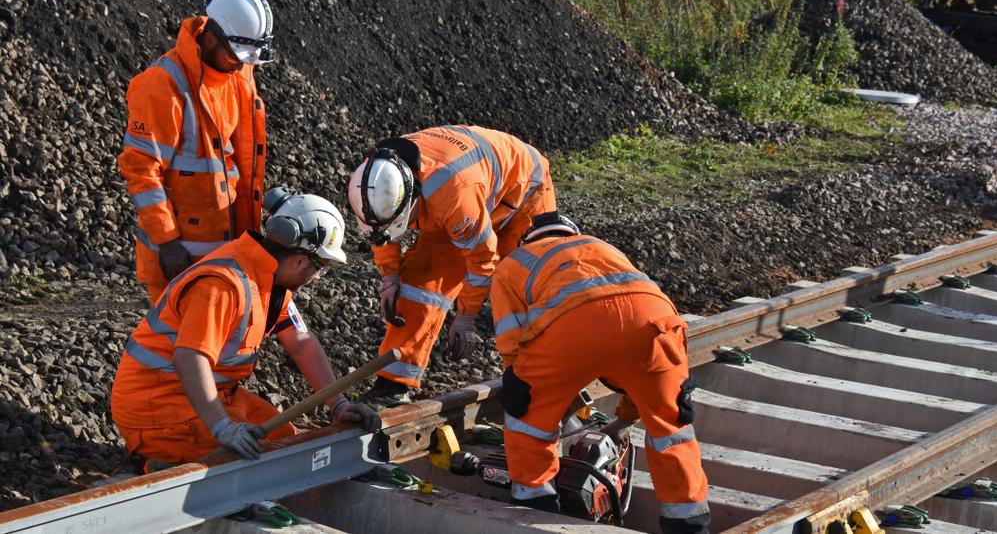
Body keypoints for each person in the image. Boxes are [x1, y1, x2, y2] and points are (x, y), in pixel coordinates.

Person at [111, 188, 378, 471]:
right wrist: (222, 427)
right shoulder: (223, 285)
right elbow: (190, 358)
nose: (316, 278)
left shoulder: (268, 280)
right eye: (321, 269)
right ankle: (151, 460)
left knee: (283, 438)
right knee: (258, 460)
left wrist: (337, 405)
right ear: (301, 260)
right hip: (158, 407)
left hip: (208, 392)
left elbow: (300, 341)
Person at [489, 212, 711, 534]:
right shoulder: (603, 247)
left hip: (573, 330)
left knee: (526, 422)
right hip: (654, 324)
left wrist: (526, 392)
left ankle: (535, 502)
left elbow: (511, 342)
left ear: (529, 239)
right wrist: (625, 420)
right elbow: (637, 339)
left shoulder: (515, 263)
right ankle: (689, 521)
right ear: (572, 233)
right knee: (671, 426)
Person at [346, 125, 558, 408]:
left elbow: (483, 260)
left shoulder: (453, 197)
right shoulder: (373, 179)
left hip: (523, 194)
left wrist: (465, 317)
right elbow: (380, 231)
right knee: (418, 283)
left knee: (521, 288)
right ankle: (394, 386)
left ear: (411, 199)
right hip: (466, 190)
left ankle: (541, 378)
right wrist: (390, 276)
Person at [118, 0, 276, 301]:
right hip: (181, 259)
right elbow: (142, 170)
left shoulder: (238, 75)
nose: (240, 64)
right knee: (179, 345)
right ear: (210, 38)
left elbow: (237, 160)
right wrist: (166, 241)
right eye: (234, 56)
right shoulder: (162, 85)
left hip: (227, 250)